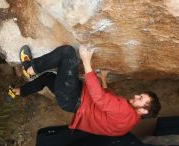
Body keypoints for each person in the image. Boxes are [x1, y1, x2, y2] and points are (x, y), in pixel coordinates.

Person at [11, 45, 161, 145]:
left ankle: (29, 68)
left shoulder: (125, 111)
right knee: (49, 78)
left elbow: (100, 98)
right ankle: (18, 92)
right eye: (139, 95)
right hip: (73, 102)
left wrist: (86, 61)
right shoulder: (128, 123)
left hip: (73, 97)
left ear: (144, 110)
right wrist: (102, 79)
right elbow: (108, 103)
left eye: (140, 98)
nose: (136, 96)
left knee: (67, 52)